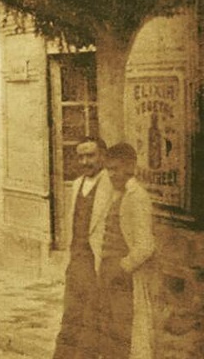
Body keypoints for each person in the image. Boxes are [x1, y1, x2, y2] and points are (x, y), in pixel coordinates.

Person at [53, 137, 114, 359]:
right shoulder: (77, 184)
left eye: (91, 155)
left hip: (97, 262)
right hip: (76, 261)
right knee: (70, 315)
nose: (85, 161)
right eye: (81, 156)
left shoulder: (112, 184)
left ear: (103, 156)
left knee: (92, 320)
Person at [99, 142, 155, 359]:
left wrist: (122, 267)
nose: (111, 174)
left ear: (130, 167)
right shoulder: (115, 194)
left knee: (124, 332)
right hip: (107, 272)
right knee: (108, 329)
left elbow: (146, 245)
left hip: (123, 277)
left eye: (115, 169)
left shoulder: (136, 196)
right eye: (108, 169)